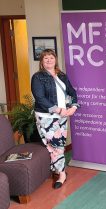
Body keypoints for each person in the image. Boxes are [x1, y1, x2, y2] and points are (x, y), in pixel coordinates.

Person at [31, 49, 80, 189]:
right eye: (45, 58)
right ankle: (62, 173)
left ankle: (57, 170)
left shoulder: (62, 75)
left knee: (59, 145)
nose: (49, 60)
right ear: (41, 61)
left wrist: (74, 107)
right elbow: (40, 98)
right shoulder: (38, 77)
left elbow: (71, 92)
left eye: (51, 57)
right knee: (54, 146)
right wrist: (58, 110)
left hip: (63, 115)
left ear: (55, 59)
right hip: (46, 117)